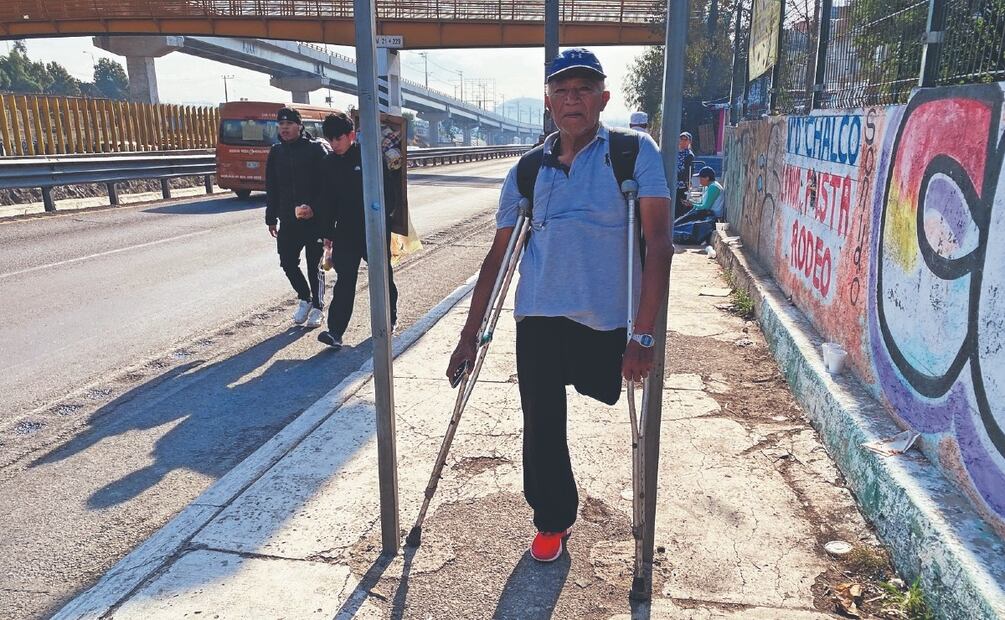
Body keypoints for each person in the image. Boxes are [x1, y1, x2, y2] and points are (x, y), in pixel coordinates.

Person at [445, 48, 673, 563]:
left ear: (603, 98)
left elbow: (659, 244)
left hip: (606, 319)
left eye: (584, 90)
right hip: (538, 316)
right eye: (562, 92)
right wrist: (468, 336)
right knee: (541, 421)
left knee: (605, 392)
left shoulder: (633, 153)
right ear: (549, 103)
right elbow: (498, 256)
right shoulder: (527, 170)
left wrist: (644, 334)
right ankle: (552, 519)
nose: (573, 100)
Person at [315, 111, 401, 351]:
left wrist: (383, 221)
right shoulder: (328, 163)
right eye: (330, 140)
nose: (334, 144)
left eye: (338, 138)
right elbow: (327, 200)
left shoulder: (369, 159)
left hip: (373, 228)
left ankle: (388, 319)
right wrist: (327, 235)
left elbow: (388, 193)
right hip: (345, 231)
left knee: (382, 276)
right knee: (345, 280)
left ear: (351, 135)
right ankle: (335, 332)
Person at [265, 106, 331, 328]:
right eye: (281, 125)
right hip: (288, 219)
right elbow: (271, 187)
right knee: (287, 262)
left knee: (315, 265)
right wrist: (271, 218)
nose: (284, 128)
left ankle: (319, 307)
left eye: (289, 124)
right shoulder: (276, 152)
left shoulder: (315, 150)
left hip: (314, 220)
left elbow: (327, 186)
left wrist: (315, 207)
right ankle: (305, 297)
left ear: (299, 126)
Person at [675, 131, 695, 219]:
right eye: (681, 139)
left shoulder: (689, 155)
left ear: (689, 142)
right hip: (672, 184)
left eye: (685, 139)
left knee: (680, 208)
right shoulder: (675, 152)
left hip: (682, 186)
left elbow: (687, 172)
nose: (683, 141)